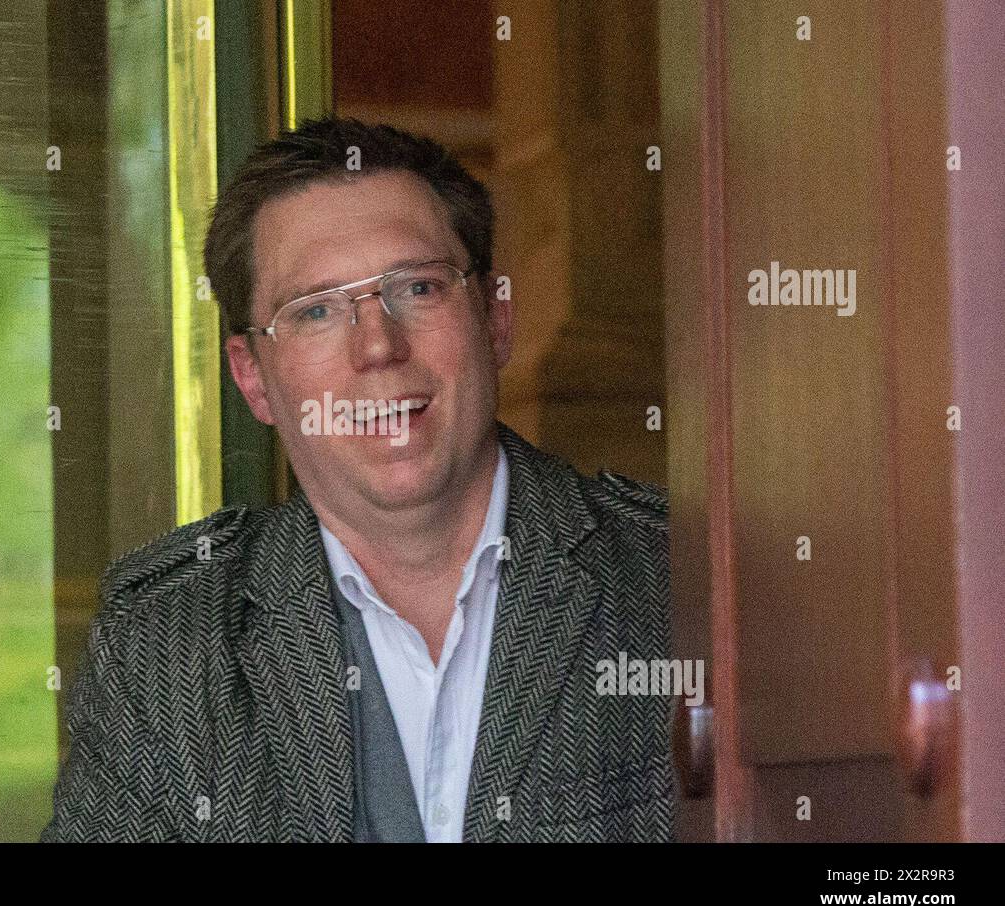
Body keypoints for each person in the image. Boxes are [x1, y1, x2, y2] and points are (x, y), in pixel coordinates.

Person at [42, 116, 675, 842]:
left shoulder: (679, 581)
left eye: (418, 288)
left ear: (496, 318)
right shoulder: (164, 646)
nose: (377, 344)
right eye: (314, 310)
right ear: (252, 378)